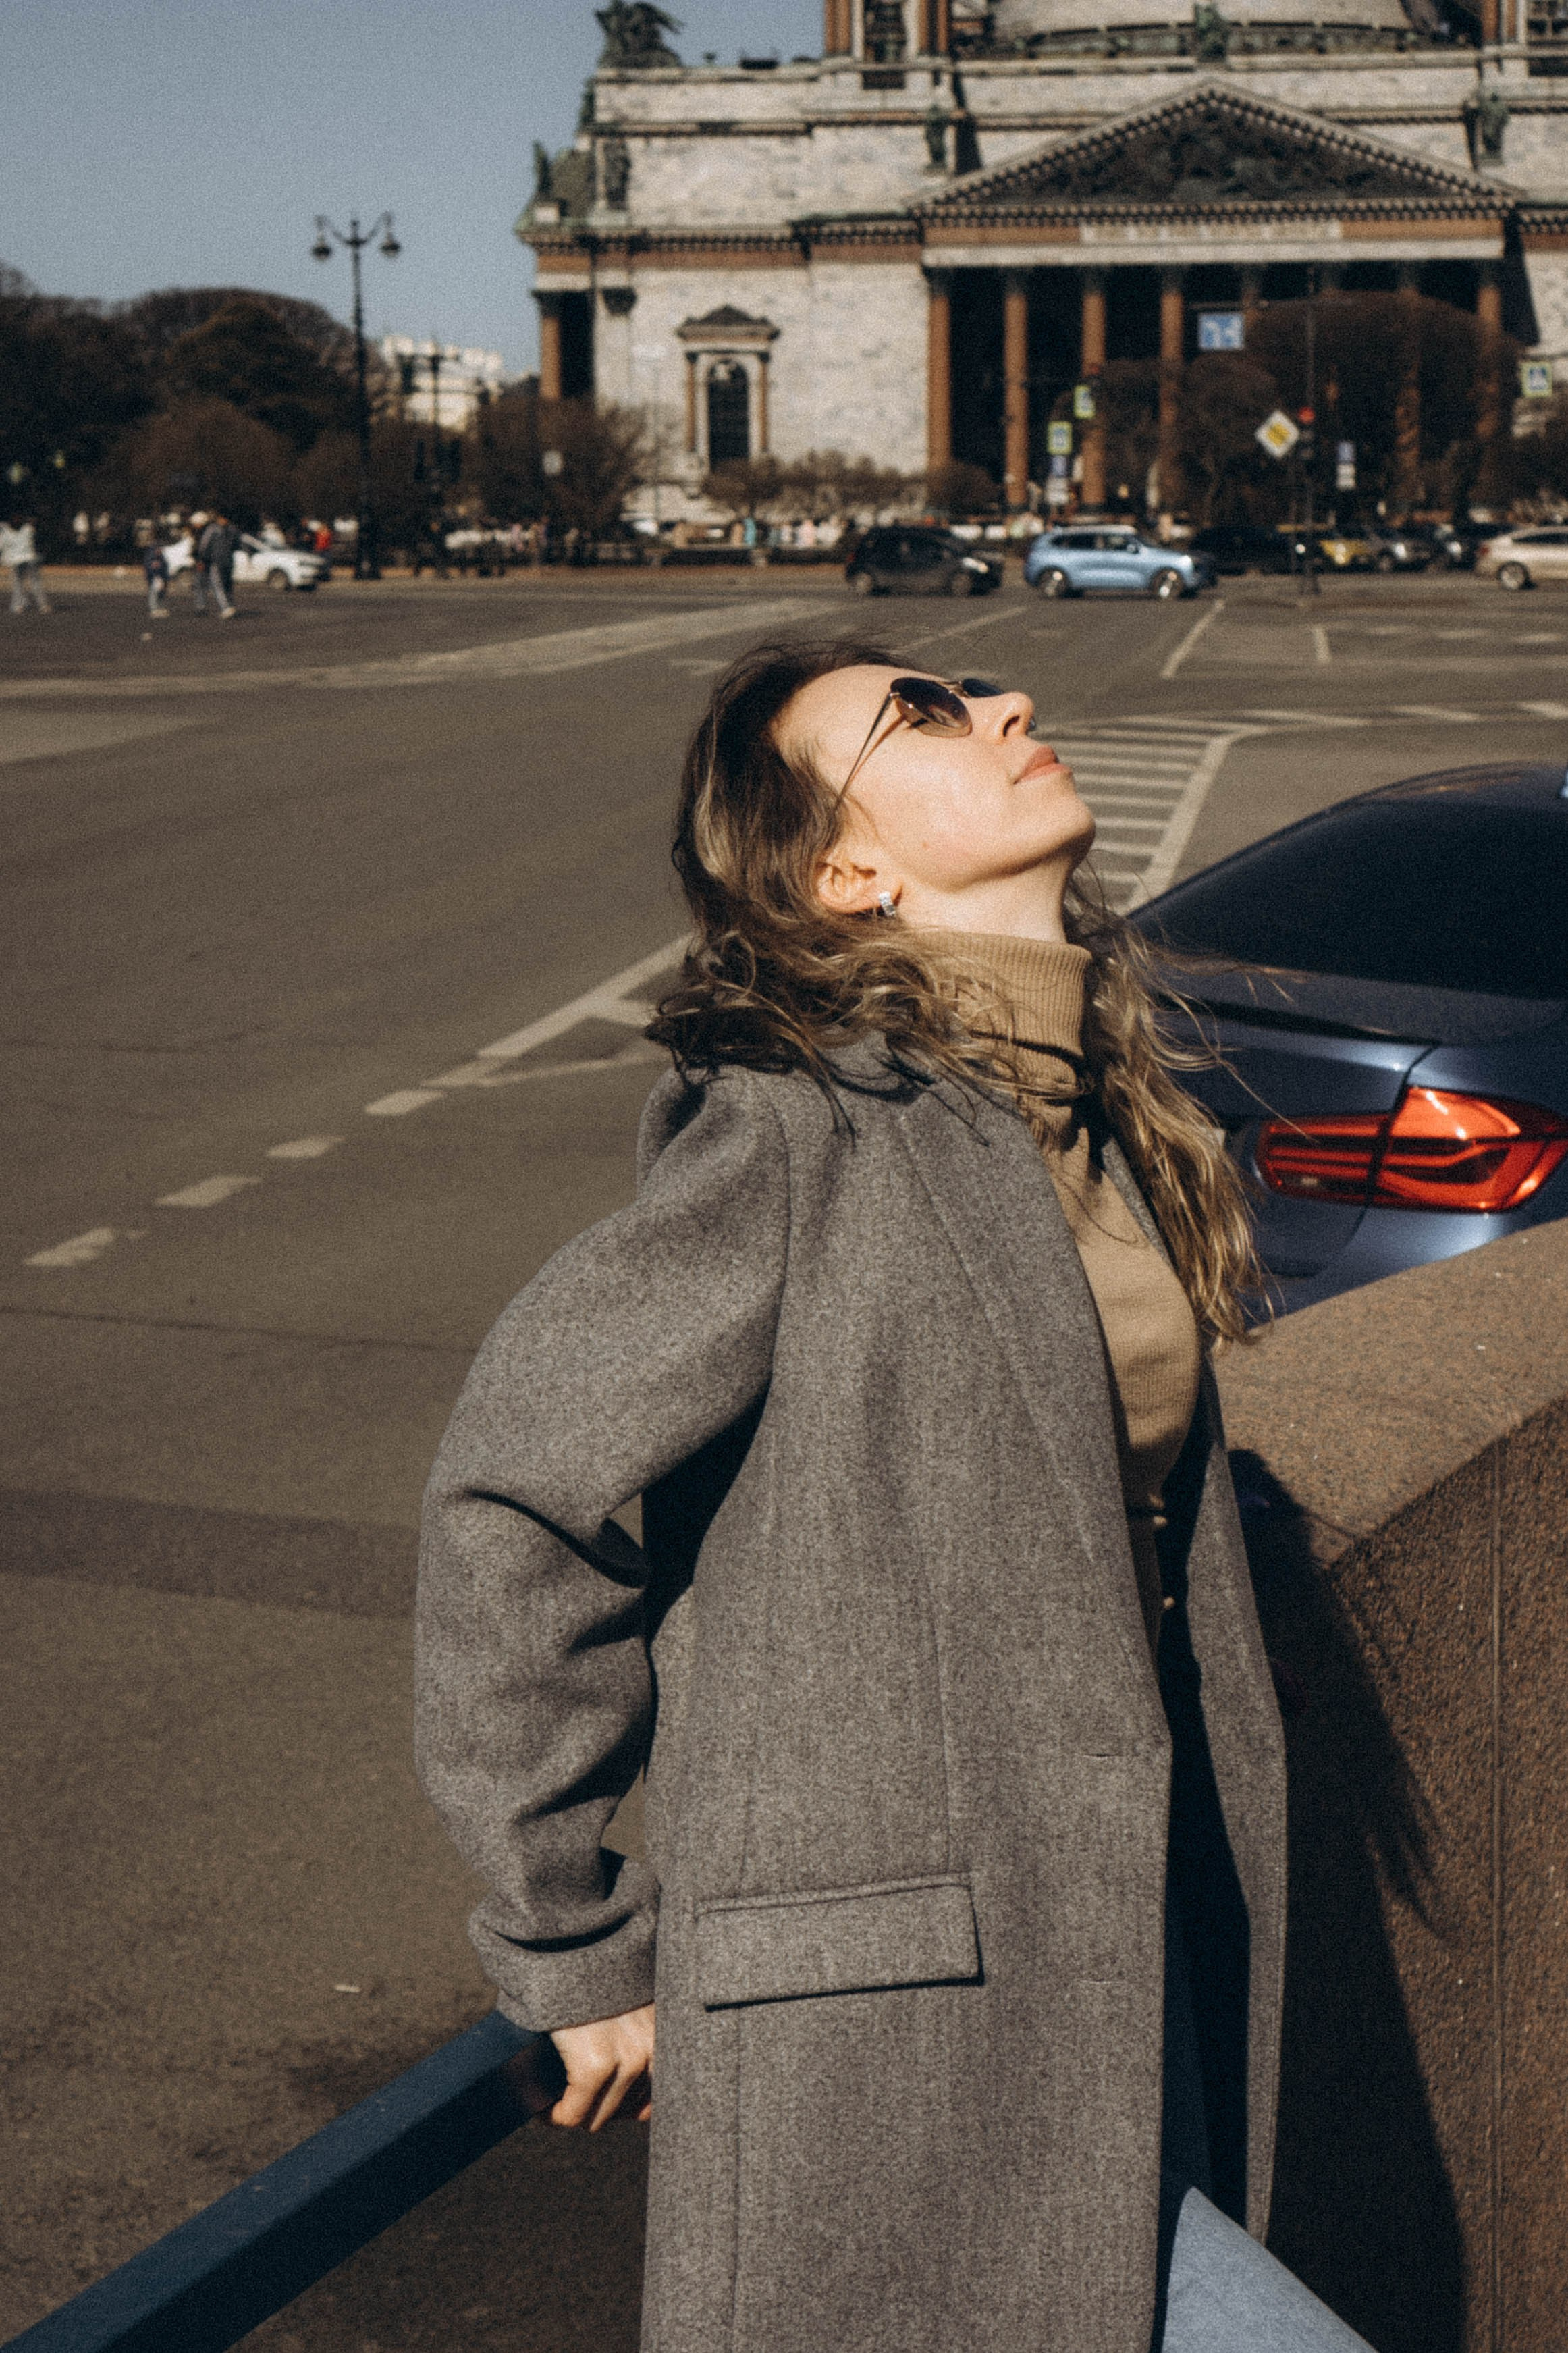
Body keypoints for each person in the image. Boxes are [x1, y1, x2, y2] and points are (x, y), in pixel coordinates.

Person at [416, 641, 1374, 2353]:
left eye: (984, 688)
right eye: (921, 712)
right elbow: (517, 1498)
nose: (1007, 706)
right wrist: (569, 1932)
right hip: (890, 2009)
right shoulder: (797, 1133)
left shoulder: (1083, 1112)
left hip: (1107, 1945)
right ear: (843, 871)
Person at [4, 516, 51, 614]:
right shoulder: (28, 529)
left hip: (22, 560)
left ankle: (19, 605)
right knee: (33, 583)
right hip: (28, 559)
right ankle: (42, 605)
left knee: (20, 584)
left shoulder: (9, 533)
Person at [196, 512, 238, 618]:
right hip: (227, 561)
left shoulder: (212, 529)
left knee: (218, 585)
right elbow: (236, 545)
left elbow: (204, 545)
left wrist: (201, 559)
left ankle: (226, 607)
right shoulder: (232, 530)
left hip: (217, 562)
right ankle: (229, 606)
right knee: (225, 585)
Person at [142, 536, 171, 618]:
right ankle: (154, 609)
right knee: (154, 593)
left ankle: (160, 608)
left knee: (161, 594)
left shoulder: (162, 557)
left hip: (161, 578)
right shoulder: (151, 556)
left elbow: (165, 567)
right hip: (155, 578)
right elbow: (150, 567)